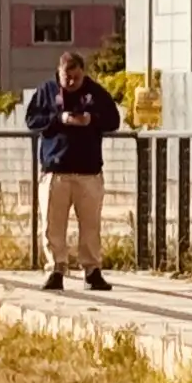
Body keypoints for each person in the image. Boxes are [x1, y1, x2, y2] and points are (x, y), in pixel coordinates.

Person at [26, 51, 122, 291]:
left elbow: (113, 121)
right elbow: (32, 120)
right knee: (52, 225)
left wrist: (91, 119)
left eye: (76, 78)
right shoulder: (46, 91)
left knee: (91, 225)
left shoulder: (96, 92)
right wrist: (60, 118)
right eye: (66, 78)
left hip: (88, 172)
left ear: (83, 73)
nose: (71, 82)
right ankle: (56, 269)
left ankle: (92, 270)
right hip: (56, 170)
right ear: (58, 72)